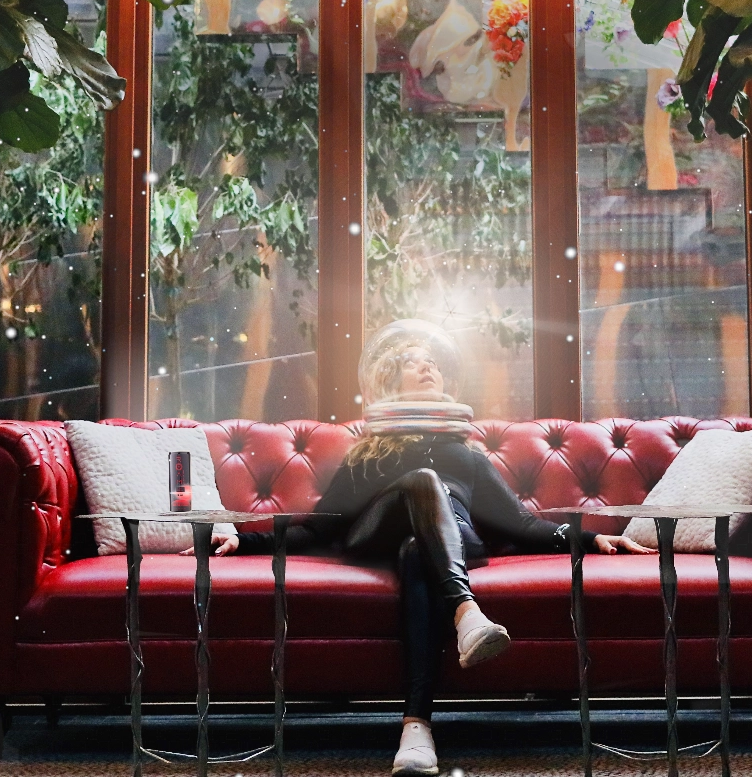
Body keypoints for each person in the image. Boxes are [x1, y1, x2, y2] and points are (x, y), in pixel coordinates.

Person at [196, 320, 653, 777]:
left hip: (446, 541)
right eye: (415, 362)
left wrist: (592, 539)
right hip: (376, 537)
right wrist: (246, 540)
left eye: (432, 361)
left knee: (419, 552)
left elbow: (521, 524)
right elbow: (321, 531)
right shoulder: (368, 453)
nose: (428, 366)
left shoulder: (468, 456)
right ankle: (466, 613)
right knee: (422, 481)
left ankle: (416, 729)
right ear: (391, 381)